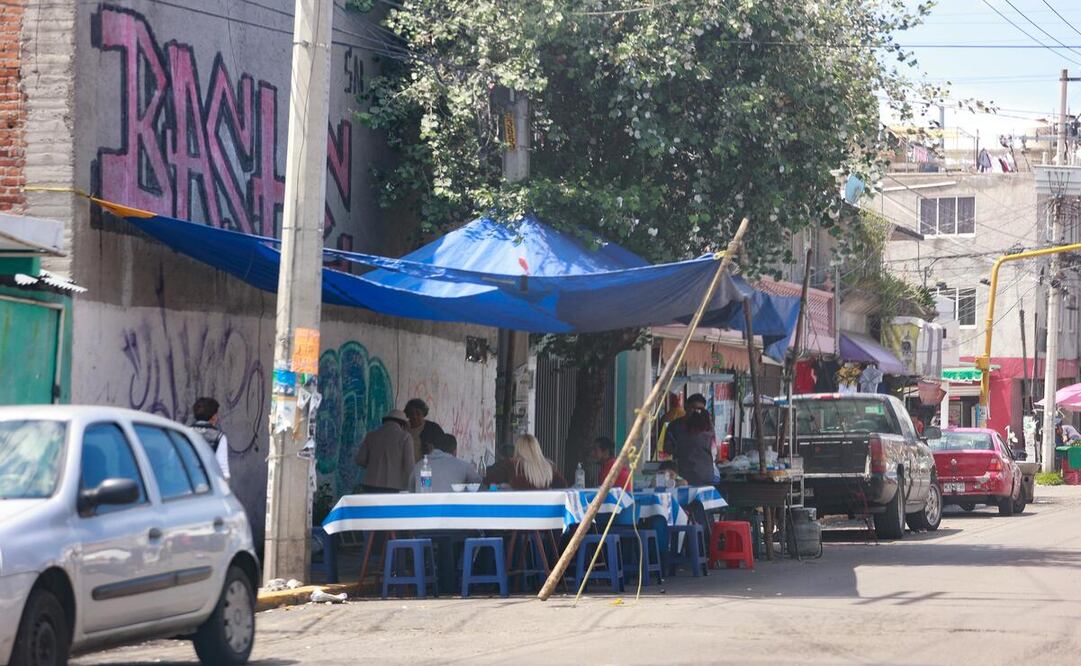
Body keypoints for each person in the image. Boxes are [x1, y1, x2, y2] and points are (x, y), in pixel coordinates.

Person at [355, 409, 415, 493]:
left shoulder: (371, 436)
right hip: (395, 486)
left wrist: (373, 465)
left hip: (371, 484)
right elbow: (409, 466)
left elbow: (360, 460)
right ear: (402, 424)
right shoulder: (405, 437)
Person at [484, 434, 567, 490]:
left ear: (518, 449)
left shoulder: (512, 465)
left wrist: (503, 486)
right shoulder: (548, 468)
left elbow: (487, 481)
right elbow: (563, 486)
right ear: (537, 449)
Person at [407, 433, 482, 492]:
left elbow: (411, 490)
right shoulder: (464, 466)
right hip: (452, 510)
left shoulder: (419, 465)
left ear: (433, 448)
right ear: (455, 451)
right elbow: (480, 486)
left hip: (424, 509)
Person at [675, 407, 717, 486]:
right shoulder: (709, 436)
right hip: (706, 476)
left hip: (685, 476)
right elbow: (715, 454)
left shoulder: (681, 436)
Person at [191, 397, 230, 480]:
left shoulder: (183, 434)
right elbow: (223, 471)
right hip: (208, 487)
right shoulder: (219, 437)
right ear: (214, 417)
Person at [663, 393, 707, 459]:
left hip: (702, 466)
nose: (696, 412)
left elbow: (713, 449)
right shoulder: (674, 425)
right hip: (680, 465)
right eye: (693, 408)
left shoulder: (707, 426)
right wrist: (682, 448)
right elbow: (666, 447)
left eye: (700, 409)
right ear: (686, 407)